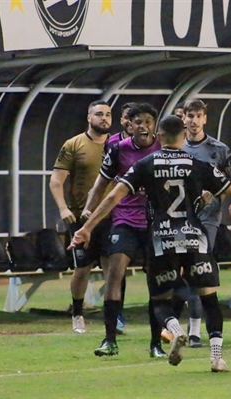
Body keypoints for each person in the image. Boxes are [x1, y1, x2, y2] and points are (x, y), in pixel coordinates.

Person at [70, 115, 231, 372]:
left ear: (160, 136)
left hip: (162, 240)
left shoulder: (146, 164)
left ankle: (175, 330)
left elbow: (112, 197)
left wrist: (87, 227)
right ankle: (216, 358)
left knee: (161, 300)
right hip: (194, 239)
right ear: (184, 136)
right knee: (209, 299)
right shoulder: (197, 164)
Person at [84, 103, 164, 358]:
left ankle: (156, 344)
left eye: (148, 121)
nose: (143, 126)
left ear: (154, 124)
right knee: (114, 274)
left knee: (157, 282)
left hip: (155, 224)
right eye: (138, 121)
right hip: (125, 220)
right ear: (130, 124)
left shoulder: (164, 147)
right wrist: (88, 211)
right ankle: (109, 340)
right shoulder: (118, 149)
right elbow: (101, 184)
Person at [178, 98, 231, 348]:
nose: (193, 121)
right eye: (189, 116)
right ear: (183, 118)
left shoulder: (219, 149)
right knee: (182, 274)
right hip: (179, 219)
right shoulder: (175, 147)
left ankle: (194, 329)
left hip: (208, 219)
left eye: (198, 116)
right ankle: (177, 325)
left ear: (205, 118)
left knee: (198, 270)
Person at [49, 100, 112, 334]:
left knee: (113, 266)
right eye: (99, 114)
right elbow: (56, 181)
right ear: (89, 117)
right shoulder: (73, 144)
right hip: (81, 218)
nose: (104, 118)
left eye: (108, 114)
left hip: (113, 217)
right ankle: (77, 312)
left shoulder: (117, 145)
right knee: (83, 267)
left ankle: (114, 315)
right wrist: (63, 209)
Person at [103, 101, 137, 334]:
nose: (129, 122)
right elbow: (105, 179)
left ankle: (165, 319)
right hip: (118, 213)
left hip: (146, 217)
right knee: (117, 267)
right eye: (126, 118)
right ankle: (117, 317)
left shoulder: (154, 145)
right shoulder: (113, 144)